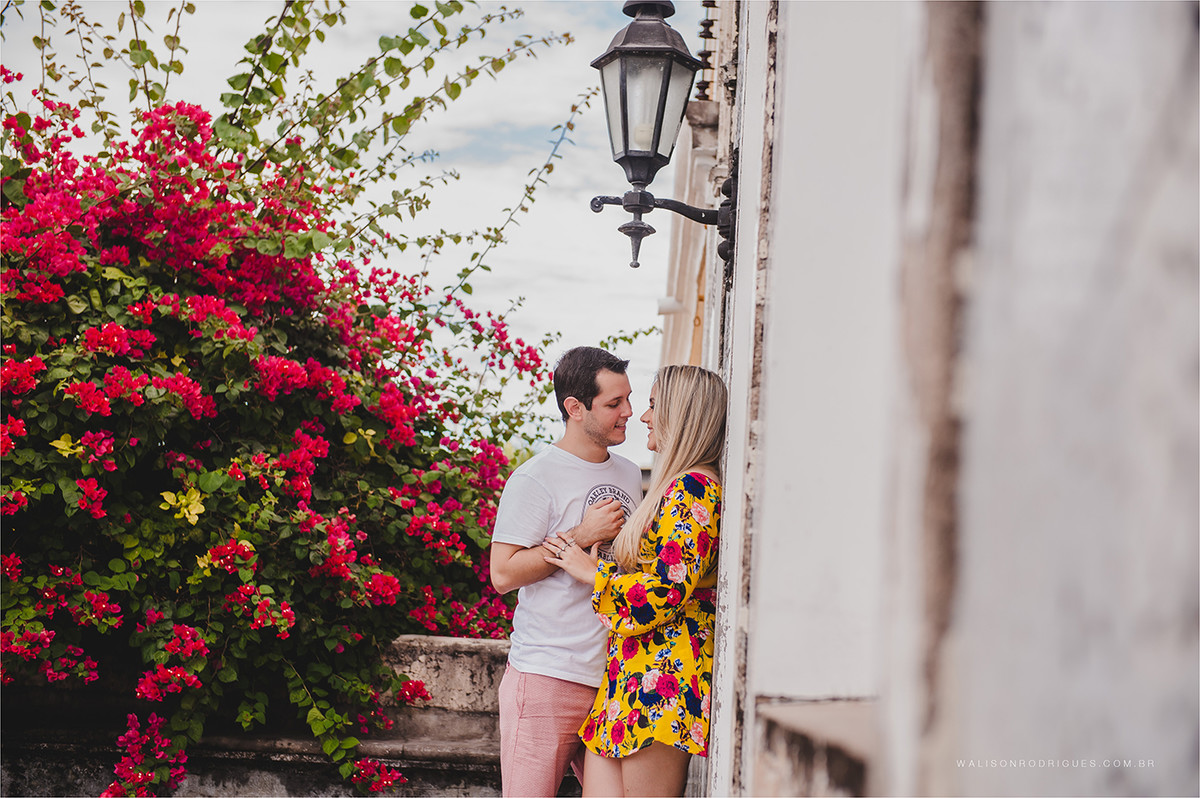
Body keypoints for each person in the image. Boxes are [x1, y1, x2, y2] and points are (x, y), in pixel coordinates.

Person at [544, 364, 726, 798]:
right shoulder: (675, 487)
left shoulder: (694, 490)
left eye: (652, 405)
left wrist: (592, 572)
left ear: (681, 415)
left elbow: (666, 591)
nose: (643, 416)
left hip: (663, 677)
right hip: (633, 674)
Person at [489, 346, 645, 798]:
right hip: (547, 677)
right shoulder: (534, 479)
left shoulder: (631, 473)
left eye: (628, 399)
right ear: (574, 408)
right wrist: (580, 534)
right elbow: (503, 574)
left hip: (613, 681)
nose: (628, 413)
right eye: (614, 404)